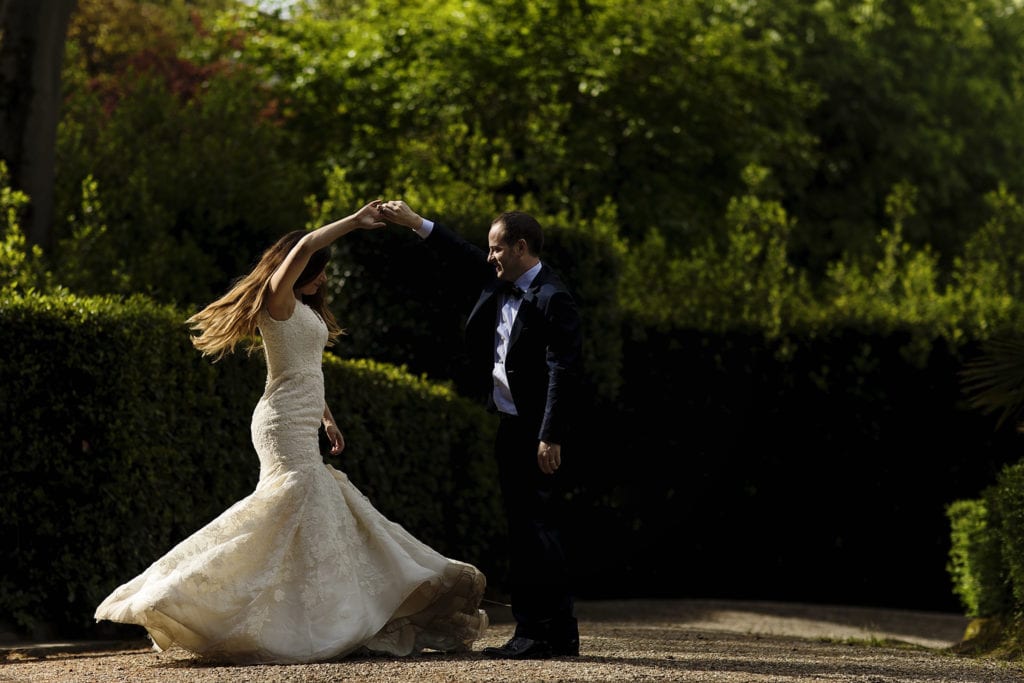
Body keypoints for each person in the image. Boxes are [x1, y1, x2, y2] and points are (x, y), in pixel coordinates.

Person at [94, 200, 488, 664]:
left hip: (302, 416)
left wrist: (327, 416)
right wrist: (354, 223)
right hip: (279, 421)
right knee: (287, 504)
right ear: (293, 267)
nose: (321, 278)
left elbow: (305, 368)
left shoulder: (303, 308)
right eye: (317, 271)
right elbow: (303, 246)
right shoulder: (278, 300)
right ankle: (185, 593)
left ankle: (319, 617)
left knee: (312, 517)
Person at [379, 201, 583, 660]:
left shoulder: (553, 296)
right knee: (525, 530)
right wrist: (416, 223)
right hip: (510, 426)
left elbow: (563, 370)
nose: (490, 257)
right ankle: (551, 634)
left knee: (538, 533)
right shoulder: (502, 279)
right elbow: (462, 253)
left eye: (497, 249)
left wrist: (549, 435)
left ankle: (544, 633)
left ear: (520, 247)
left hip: (536, 433)